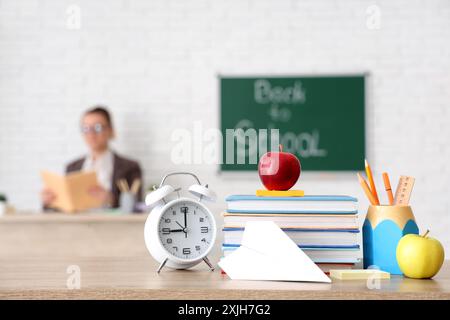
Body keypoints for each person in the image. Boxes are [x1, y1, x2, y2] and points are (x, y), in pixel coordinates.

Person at [42, 106, 142, 209]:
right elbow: (64, 208)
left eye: (97, 127)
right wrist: (50, 202)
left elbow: (137, 206)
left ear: (110, 130)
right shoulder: (72, 167)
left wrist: (111, 199)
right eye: (86, 128)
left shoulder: (130, 167)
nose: (91, 134)